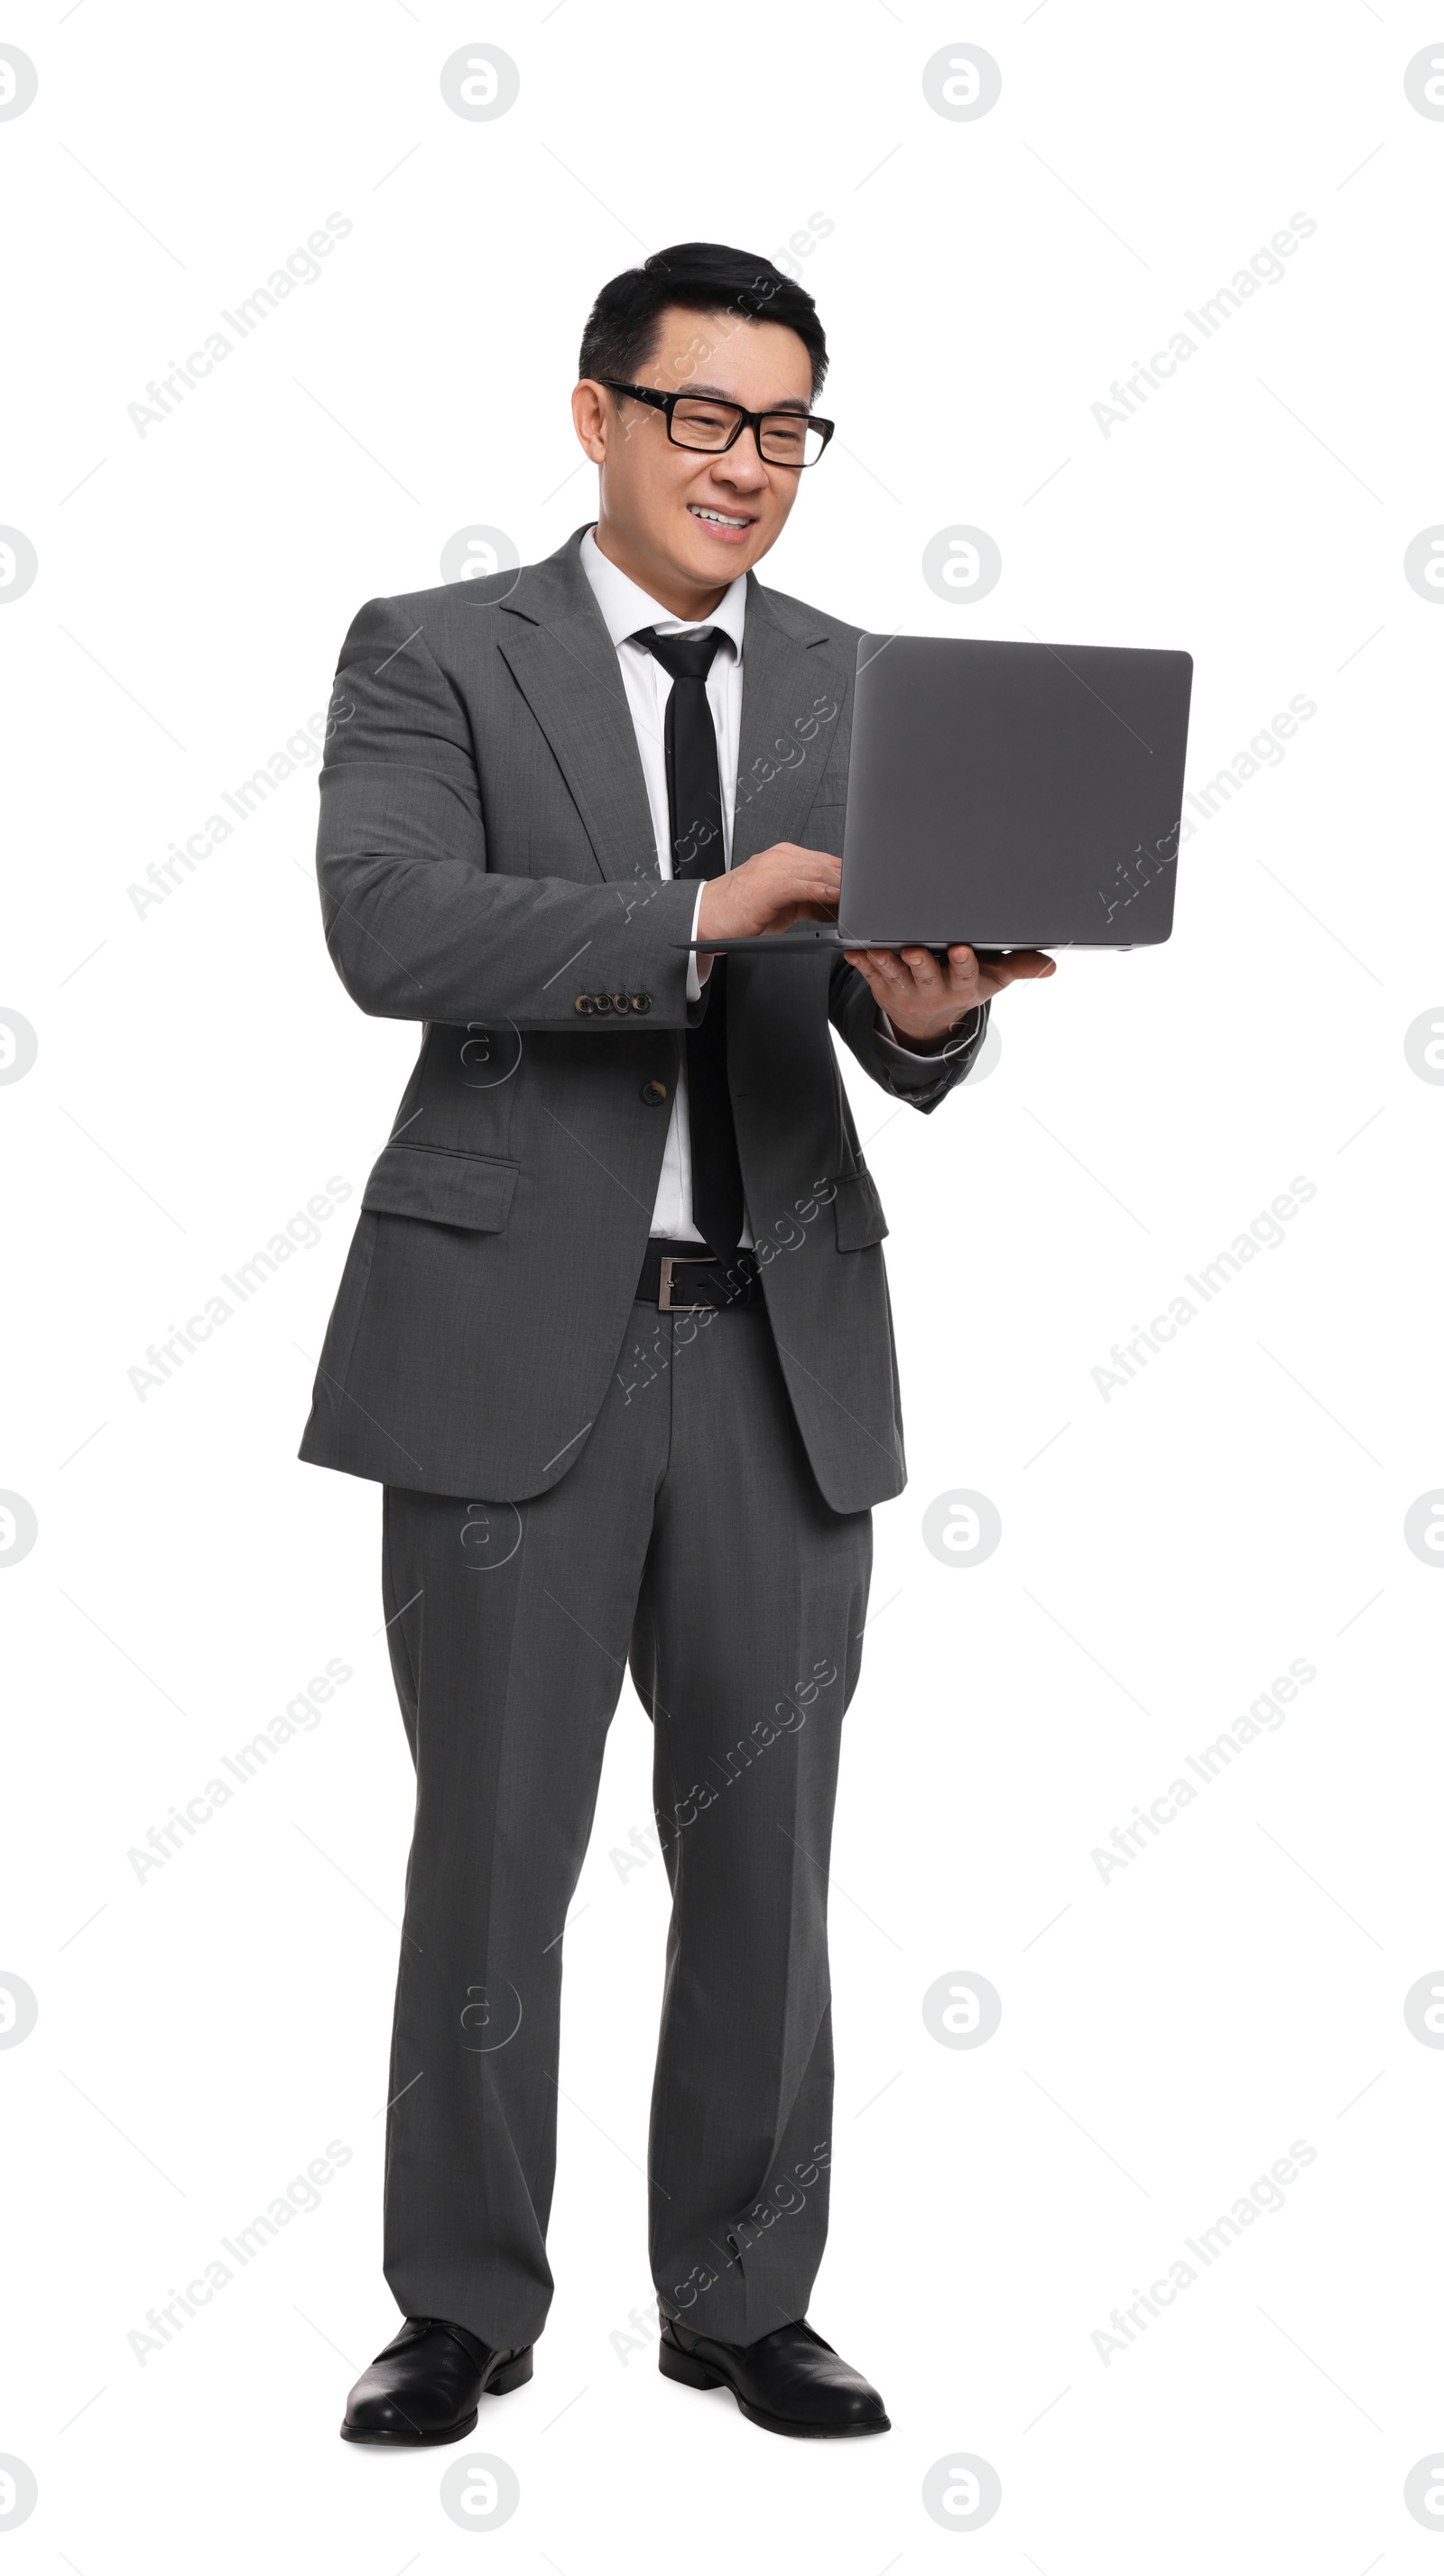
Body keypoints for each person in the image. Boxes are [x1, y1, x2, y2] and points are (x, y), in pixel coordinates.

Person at [301, 240, 1054, 2447]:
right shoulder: (439, 651)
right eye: (703, 415)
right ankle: (457, 2302)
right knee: (494, 1847)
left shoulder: (855, 680)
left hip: (774, 1350)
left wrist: (921, 1024)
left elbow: (868, 1004)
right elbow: (390, 920)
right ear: (595, 415)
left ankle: (741, 2295)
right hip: (505, 1347)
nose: (747, 464)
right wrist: (704, 912)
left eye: (786, 426)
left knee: (766, 1853)